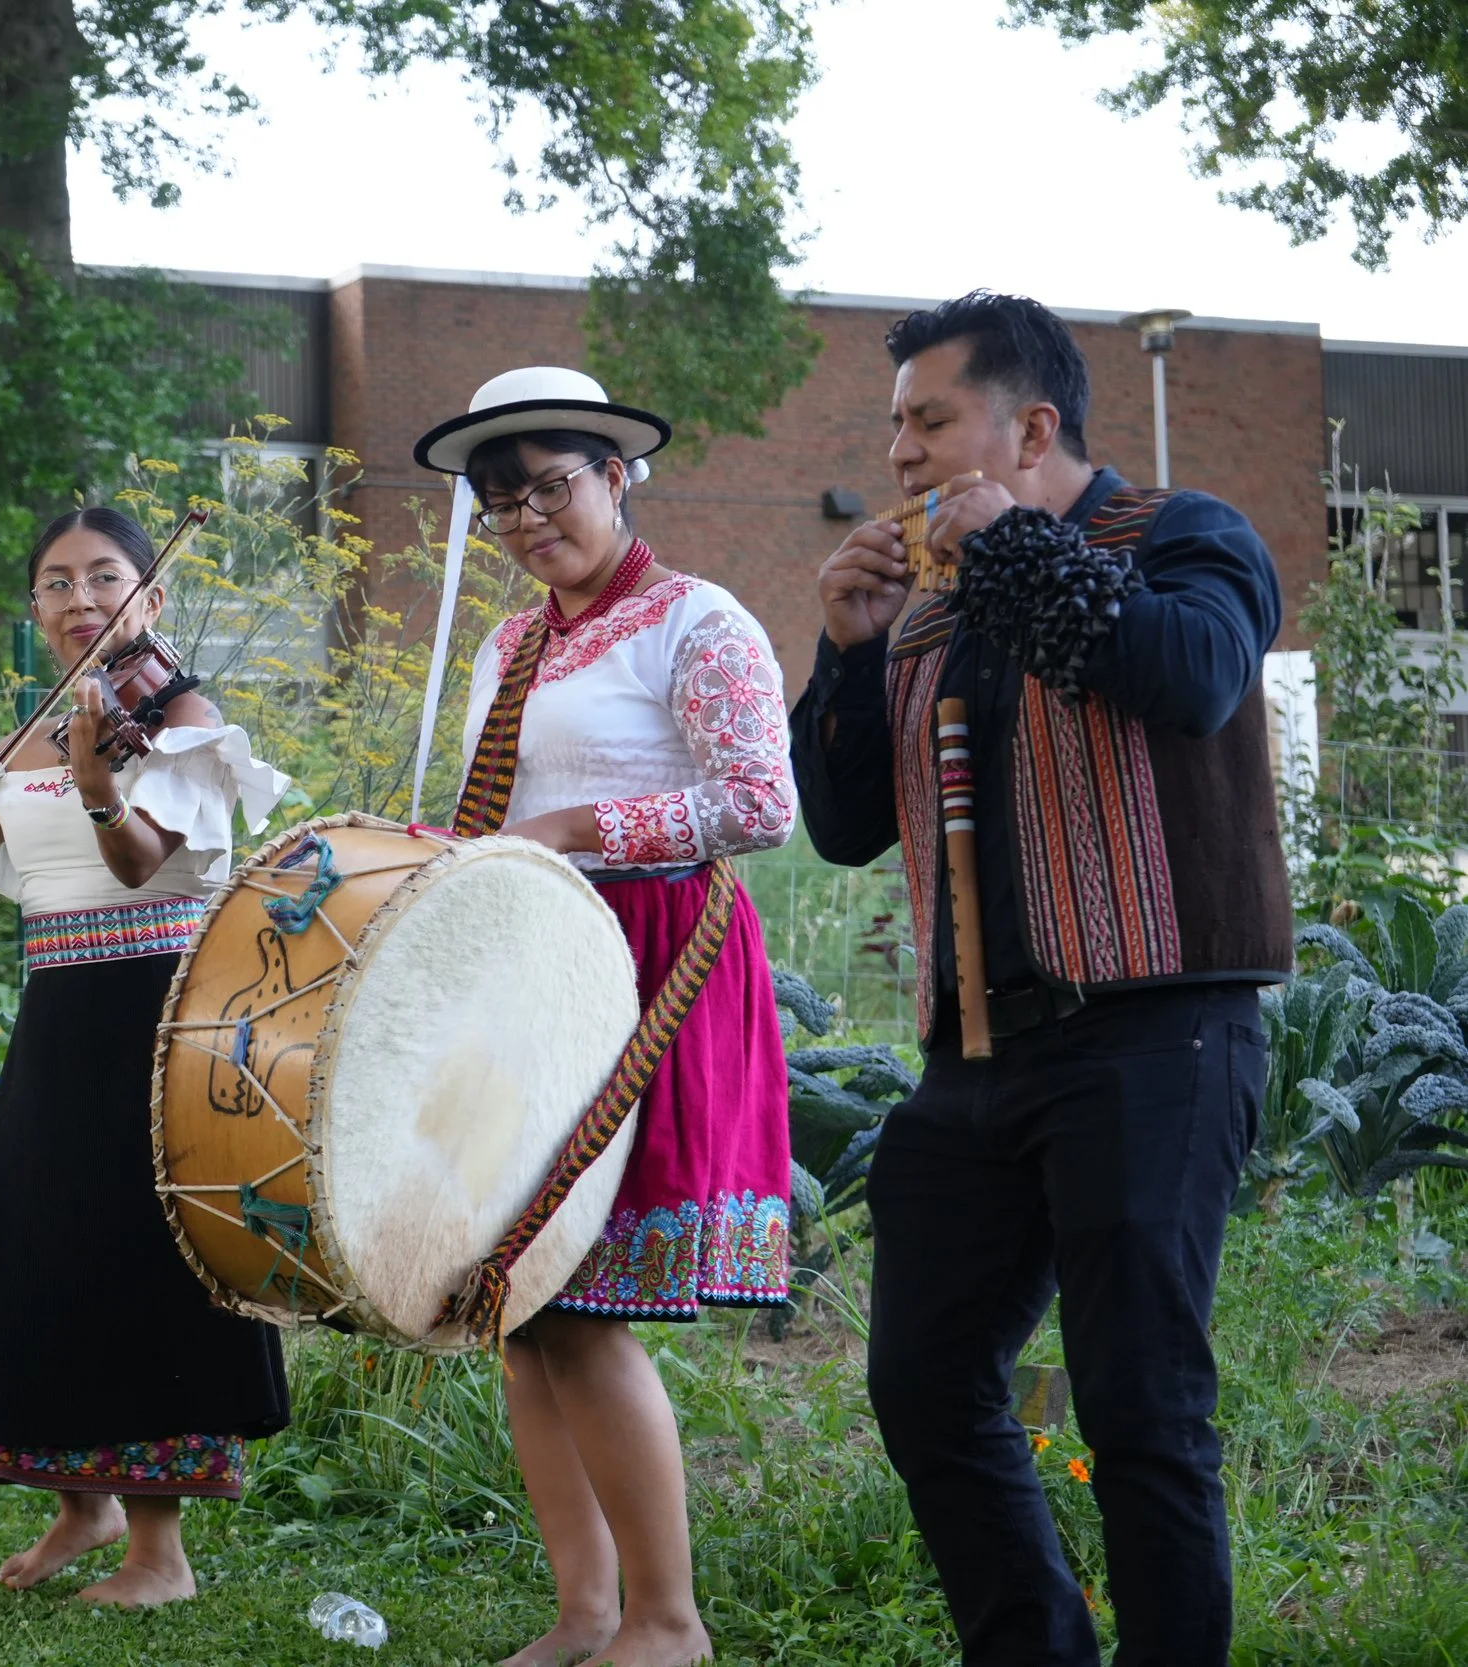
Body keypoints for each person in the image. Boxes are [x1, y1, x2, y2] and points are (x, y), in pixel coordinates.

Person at [788, 291, 1287, 1665]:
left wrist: (1011, 542)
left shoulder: (1189, 536)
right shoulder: (927, 607)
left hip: (1157, 1035)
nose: (899, 454)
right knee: (924, 1382)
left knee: (1141, 1405)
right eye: (896, 425)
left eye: (930, 420)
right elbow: (840, 824)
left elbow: (1185, 676)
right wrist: (842, 653)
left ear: (1033, 425)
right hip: (973, 1059)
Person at [410, 367, 795, 1667]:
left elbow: (758, 802)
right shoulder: (508, 645)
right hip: (530, 969)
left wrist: (582, 827)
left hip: (650, 966)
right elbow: (494, 816)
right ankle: (584, 1607)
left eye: (552, 484)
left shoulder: (701, 619)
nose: (527, 515)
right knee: (517, 1304)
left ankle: (667, 1619)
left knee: (583, 1300)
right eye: (500, 496)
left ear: (618, 476)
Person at [0, 506, 293, 1606]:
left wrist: (99, 782)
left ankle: (162, 1549)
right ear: (34, 603)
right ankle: (79, 1508)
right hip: (61, 1009)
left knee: (141, 1263)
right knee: (33, 1246)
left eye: (104, 577)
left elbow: (143, 866)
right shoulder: (32, 730)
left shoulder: (180, 716)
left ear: (153, 596)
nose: (80, 599)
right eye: (56, 581)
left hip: (157, 1012)